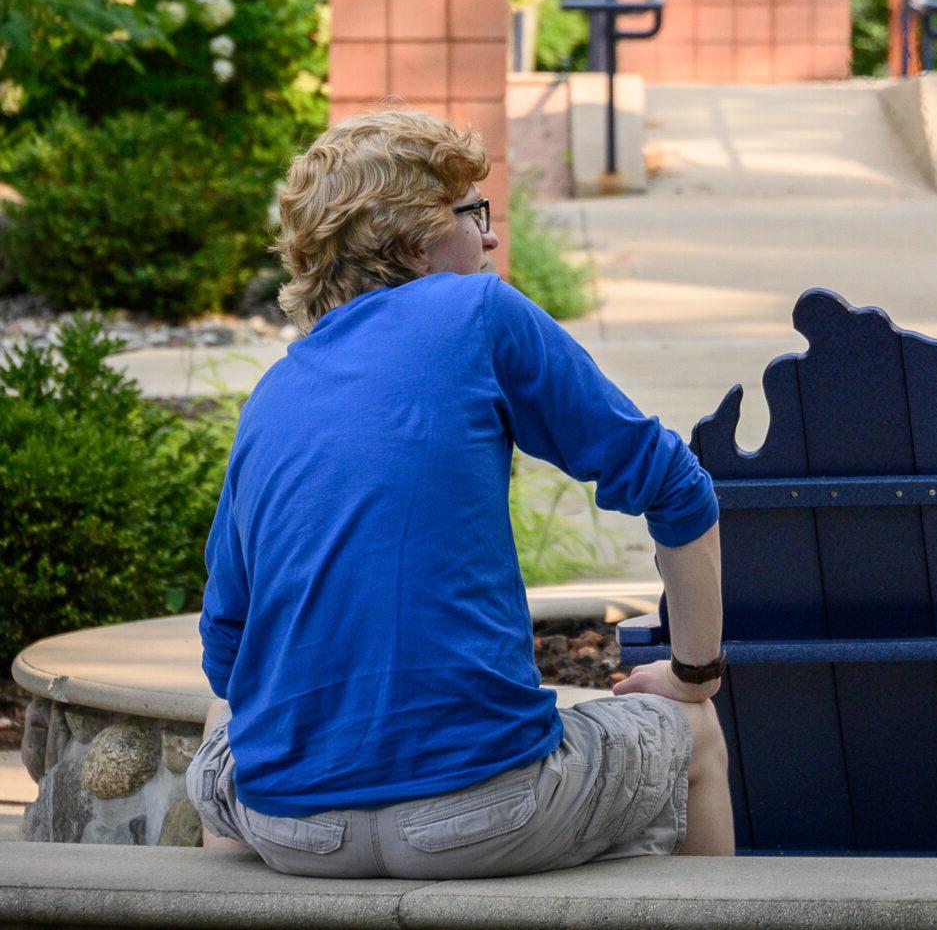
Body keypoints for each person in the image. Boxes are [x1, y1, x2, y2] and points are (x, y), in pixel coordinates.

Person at [187, 109, 735, 877]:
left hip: (294, 832)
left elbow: (229, 649)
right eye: (471, 213)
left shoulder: (276, 387)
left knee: (229, 716)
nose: (489, 238)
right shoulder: (476, 310)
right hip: (486, 810)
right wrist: (691, 671)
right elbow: (678, 489)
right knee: (695, 731)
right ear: (412, 236)